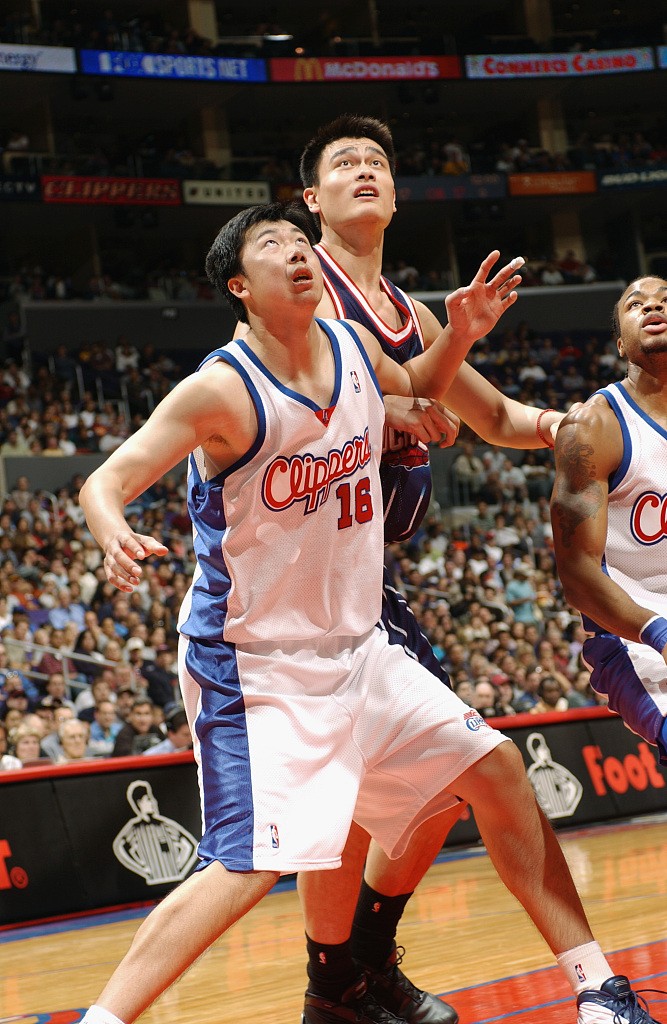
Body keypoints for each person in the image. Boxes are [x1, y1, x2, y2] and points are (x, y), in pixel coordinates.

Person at [76, 203, 658, 1024]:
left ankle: (596, 989)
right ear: (239, 286)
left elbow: (415, 385)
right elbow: (105, 480)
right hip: (257, 665)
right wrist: (113, 530)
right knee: (243, 867)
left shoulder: (351, 345)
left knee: (496, 770)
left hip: (360, 648)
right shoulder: (220, 388)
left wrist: (459, 335)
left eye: (297, 240)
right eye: (272, 244)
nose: (295, 252)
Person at [296, 113, 569, 1022]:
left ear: (396, 192)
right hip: (305, 579)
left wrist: (571, 426)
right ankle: (338, 980)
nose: (365, 170)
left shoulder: (411, 313)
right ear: (311, 198)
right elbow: (376, 395)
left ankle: (357, 970)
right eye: (345, 162)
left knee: (441, 787)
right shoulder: (304, 285)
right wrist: (426, 372)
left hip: (369, 578)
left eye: (377, 160)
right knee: (373, 792)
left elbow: (493, 417)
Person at [551, 274, 667, 764]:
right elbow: (577, 575)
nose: (653, 307)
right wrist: (659, 633)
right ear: (620, 344)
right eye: (635, 304)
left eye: (664, 300)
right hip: (635, 638)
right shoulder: (593, 426)